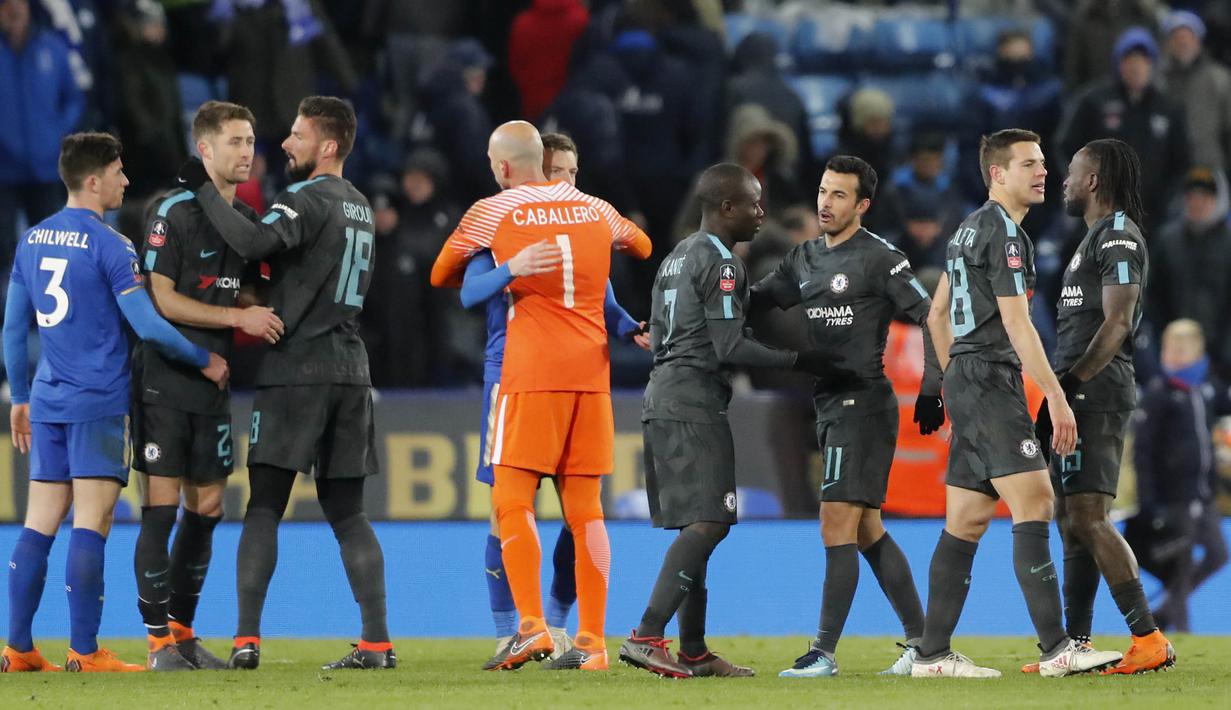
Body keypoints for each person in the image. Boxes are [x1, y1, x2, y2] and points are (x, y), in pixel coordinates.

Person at [179, 96, 393, 671]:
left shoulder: (304, 197)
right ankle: (377, 642)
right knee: (348, 512)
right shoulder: (361, 206)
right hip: (352, 367)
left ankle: (246, 639)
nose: (285, 144)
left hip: (297, 368)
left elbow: (253, 244)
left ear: (326, 146)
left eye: (297, 135)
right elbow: (297, 271)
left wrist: (205, 190)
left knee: (265, 506)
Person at [431, 121, 652, 672]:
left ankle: (530, 627)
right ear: (544, 166)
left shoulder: (495, 213)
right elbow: (640, 246)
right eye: (562, 173)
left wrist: (514, 267)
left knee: (510, 502)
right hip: (590, 376)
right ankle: (589, 641)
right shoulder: (596, 210)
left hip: (523, 375)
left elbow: (444, 278)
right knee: (585, 510)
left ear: (503, 166)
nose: (568, 181)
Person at [2, 132, 227, 673]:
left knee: (38, 524)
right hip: (98, 401)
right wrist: (202, 359)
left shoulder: (31, 240)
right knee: (93, 522)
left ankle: (17, 648)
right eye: (119, 172)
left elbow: (12, 328)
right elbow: (148, 324)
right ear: (94, 179)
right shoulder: (111, 245)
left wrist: (21, 396)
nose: (126, 181)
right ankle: (84, 651)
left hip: (50, 400)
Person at [620, 163, 846, 679]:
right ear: (726, 207)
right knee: (710, 520)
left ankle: (694, 650)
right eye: (753, 203)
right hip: (694, 400)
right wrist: (799, 361)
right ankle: (647, 635)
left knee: (698, 520)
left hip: (664, 396)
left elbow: (658, 333)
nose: (760, 212)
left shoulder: (676, 257)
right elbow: (730, 345)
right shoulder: (722, 261)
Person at [911, 129, 1121, 678]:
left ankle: (931, 655)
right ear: (997, 174)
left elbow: (936, 316)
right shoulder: (1004, 233)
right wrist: (1056, 396)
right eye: (1028, 163)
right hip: (990, 378)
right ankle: (1058, 648)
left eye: (1043, 162)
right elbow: (1016, 322)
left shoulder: (964, 231)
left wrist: (950, 377)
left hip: (969, 377)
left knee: (968, 517)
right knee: (1036, 501)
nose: (1042, 171)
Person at [755, 156, 944, 679]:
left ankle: (823, 652)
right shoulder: (804, 258)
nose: (825, 203)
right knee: (866, 530)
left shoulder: (880, 259)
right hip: (829, 401)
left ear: (862, 205)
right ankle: (923, 645)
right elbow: (759, 301)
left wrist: (933, 386)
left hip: (864, 403)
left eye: (839, 195)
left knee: (836, 521)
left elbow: (931, 316)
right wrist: (711, 303)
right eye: (822, 191)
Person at [131, 101, 285, 672]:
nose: (247, 152)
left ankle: (182, 632)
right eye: (236, 142)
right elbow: (161, 297)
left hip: (215, 382)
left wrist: (256, 306)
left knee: (211, 507)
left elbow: (240, 291)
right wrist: (236, 320)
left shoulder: (240, 216)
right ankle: (156, 646)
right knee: (161, 509)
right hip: (167, 380)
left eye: (250, 141)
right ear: (205, 149)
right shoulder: (171, 210)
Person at [1027, 138, 1174, 674]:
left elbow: (1117, 321)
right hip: (1078, 393)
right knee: (1071, 517)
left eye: (1071, 172)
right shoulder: (1090, 239)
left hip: (1097, 393)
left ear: (1093, 181)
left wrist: (1068, 384)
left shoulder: (1117, 237)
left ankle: (1148, 636)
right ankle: (1077, 644)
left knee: (1089, 515)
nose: (1063, 181)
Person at [1132, 319, 1230, 632]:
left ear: (1198, 352)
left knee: (1218, 553)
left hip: (1203, 491)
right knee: (1181, 562)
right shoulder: (1159, 394)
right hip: (1174, 494)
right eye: (1169, 349)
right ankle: (1179, 629)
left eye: (1181, 350)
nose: (1173, 356)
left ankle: (1164, 611)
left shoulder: (1205, 390)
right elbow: (1142, 452)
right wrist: (1149, 501)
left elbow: (1207, 439)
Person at [1057, 27, 1190, 238]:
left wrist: (1165, 199)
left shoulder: (1169, 108)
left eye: (1142, 60)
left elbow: (1182, 160)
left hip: (1151, 214)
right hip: (1099, 211)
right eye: (1129, 59)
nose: (1136, 66)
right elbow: (1066, 146)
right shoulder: (1094, 101)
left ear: (1152, 65)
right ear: (1118, 64)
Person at [1159, 10, 1231, 172]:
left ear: (1199, 41)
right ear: (1168, 43)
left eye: (1187, 36)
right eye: (1176, 38)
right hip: (1169, 171)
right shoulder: (1158, 81)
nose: (1182, 42)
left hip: (1210, 166)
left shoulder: (1219, 78)